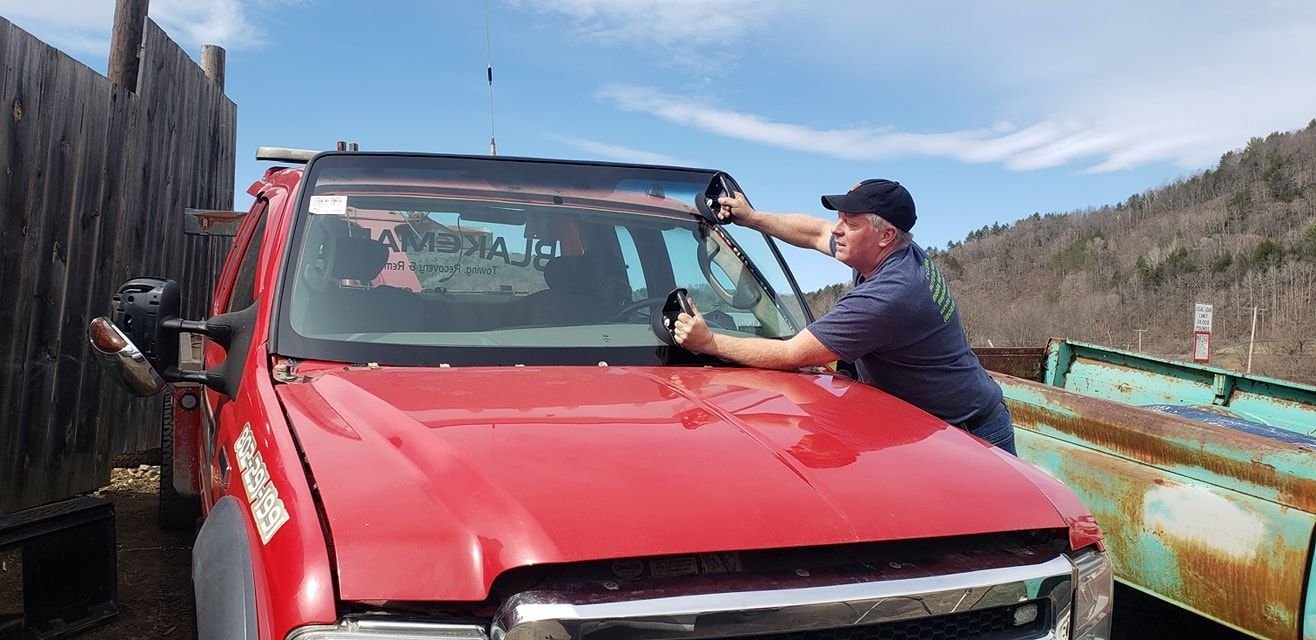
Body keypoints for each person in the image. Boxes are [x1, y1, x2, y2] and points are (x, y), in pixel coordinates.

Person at [673, 178, 1015, 454]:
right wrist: (752, 217)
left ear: (885, 235)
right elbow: (815, 232)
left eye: (849, 224)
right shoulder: (882, 252)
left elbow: (791, 353)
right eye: (840, 219)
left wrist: (710, 342)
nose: (837, 230)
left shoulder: (889, 295)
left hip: (969, 434)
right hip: (938, 423)